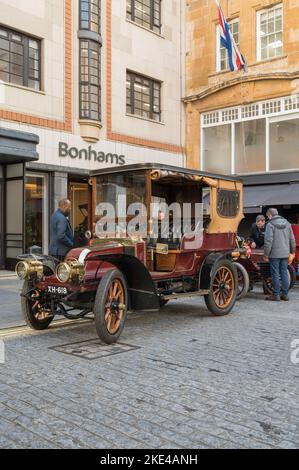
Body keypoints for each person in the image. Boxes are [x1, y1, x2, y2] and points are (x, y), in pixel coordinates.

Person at [264, 208, 296, 302]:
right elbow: (292, 240)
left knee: (275, 274)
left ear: (270, 215)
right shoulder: (287, 223)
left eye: (267, 216)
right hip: (285, 253)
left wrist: (266, 254)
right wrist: (292, 252)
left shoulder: (270, 225)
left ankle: (276, 295)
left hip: (274, 254)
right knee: (284, 273)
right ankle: (285, 295)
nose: (267, 218)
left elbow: (268, 241)